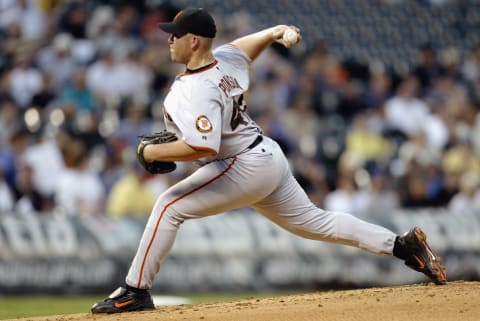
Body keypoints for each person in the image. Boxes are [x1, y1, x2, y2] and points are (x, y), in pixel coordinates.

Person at [91, 7, 447, 314]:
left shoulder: (193, 88)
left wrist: (151, 152)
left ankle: (135, 291)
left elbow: (204, 147)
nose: (169, 40)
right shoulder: (224, 61)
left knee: (169, 205)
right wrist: (274, 32)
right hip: (266, 155)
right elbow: (247, 47)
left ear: (195, 41)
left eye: (176, 35)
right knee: (315, 222)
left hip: (242, 163)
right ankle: (403, 246)